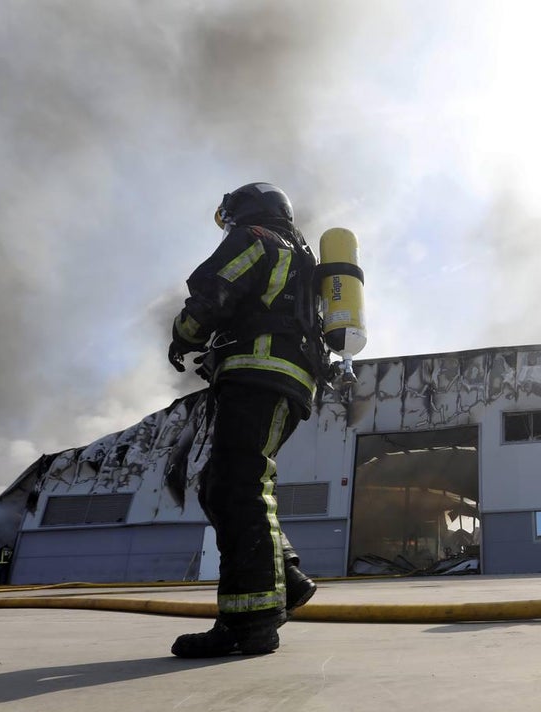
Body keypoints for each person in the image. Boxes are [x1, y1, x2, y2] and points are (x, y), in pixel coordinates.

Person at [167, 182, 321, 658]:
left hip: (259, 373)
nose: (228, 226)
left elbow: (217, 289)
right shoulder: (304, 257)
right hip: (287, 379)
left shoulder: (257, 238)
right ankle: (286, 577)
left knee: (239, 487)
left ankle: (250, 621)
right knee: (225, 484)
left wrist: (183, 333)